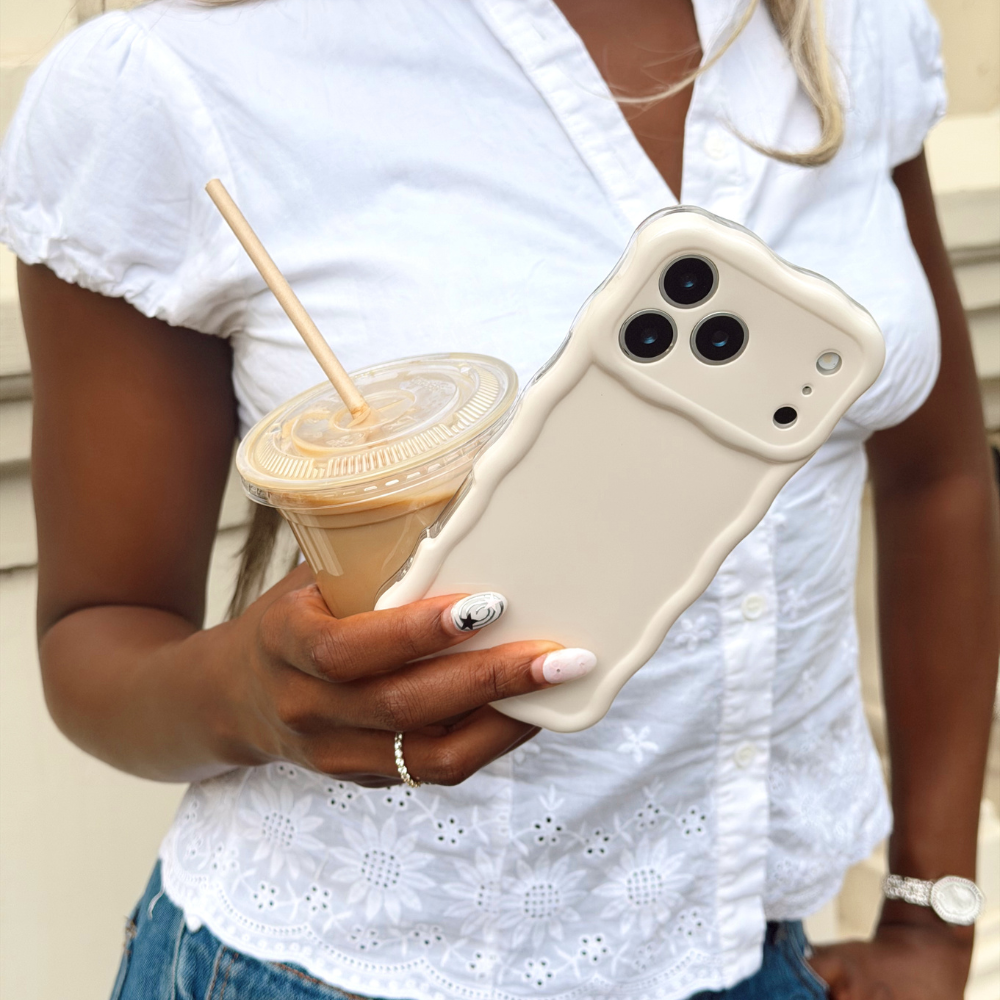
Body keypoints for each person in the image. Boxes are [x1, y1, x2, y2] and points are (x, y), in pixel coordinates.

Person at [2, 0, 997, 997]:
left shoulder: (842, 24)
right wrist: (255, 696)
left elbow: (939, 475)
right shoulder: (169, 82)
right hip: (330, 970)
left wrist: (932, 912)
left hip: (754, 960)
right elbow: (98, 630)